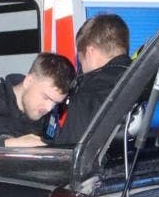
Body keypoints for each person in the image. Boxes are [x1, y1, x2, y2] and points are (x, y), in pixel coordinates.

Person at [53, 14, 132, 146]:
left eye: (81, 61)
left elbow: (67, 155)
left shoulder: (87, 96)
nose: (81, 69)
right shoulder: (145, 82)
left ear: (90, 52)